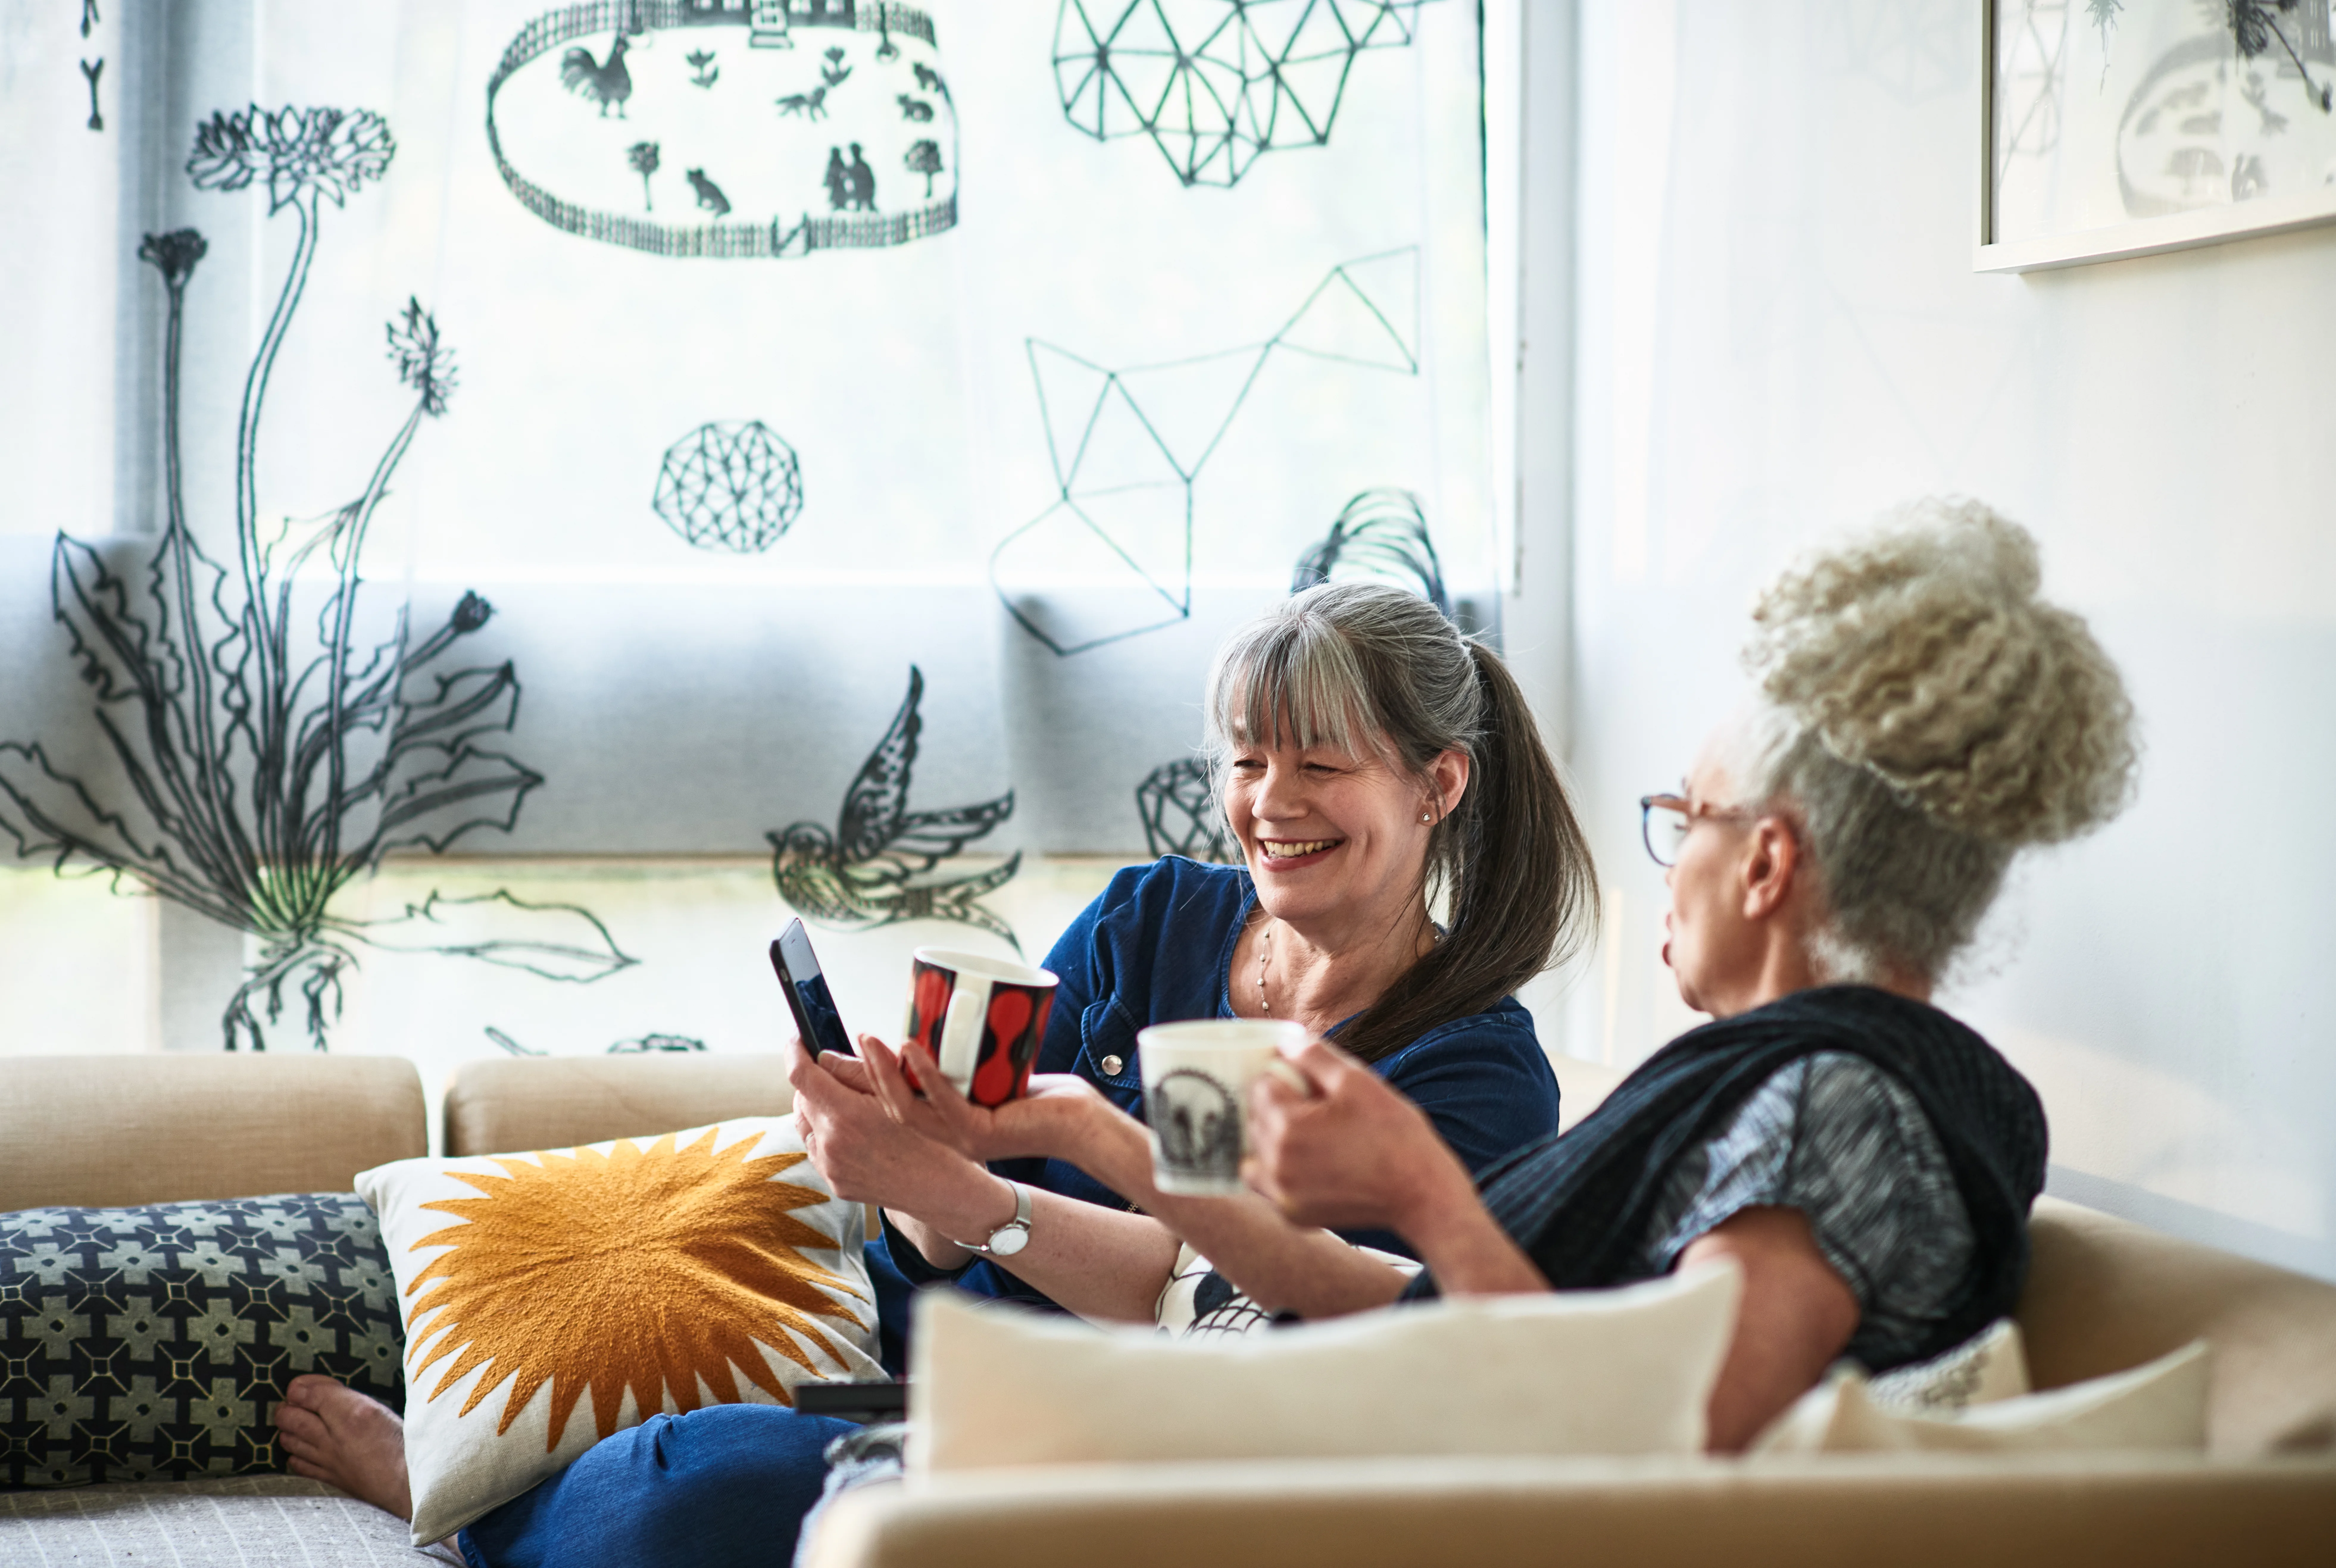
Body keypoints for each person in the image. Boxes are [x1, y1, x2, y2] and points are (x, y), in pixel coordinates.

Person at [272, 581, 1598, 1565]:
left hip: (1132, 1433)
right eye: (1245, 759)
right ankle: (491, 1483)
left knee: (688, 1489)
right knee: (678, 1419)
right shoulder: (1152, 921)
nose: (1268, 801)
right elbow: (952, 1207)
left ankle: (467, 1509)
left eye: (1320, 764)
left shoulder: (1469, 1072)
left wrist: (993, 1179)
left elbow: (1265, 1335)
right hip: (913, 1344)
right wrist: (901, 1157)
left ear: (1437, 786)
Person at [914, 499, 2138, 1450]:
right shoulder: (1797, 1094)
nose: (1664, 864)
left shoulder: (1835, 1114)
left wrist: (1430, 1197)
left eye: (1683, 816)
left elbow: (1651, 1450)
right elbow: (1398, 1319)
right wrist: (1079, 1128)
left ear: (1765, 862)